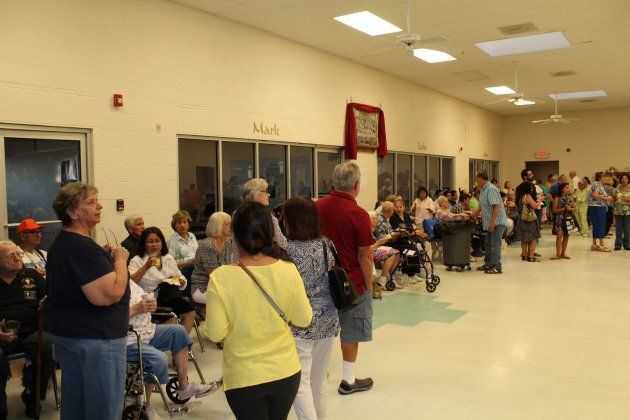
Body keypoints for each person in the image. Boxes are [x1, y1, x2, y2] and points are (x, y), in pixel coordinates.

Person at [205, 202, 312, 420]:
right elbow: (304, 319)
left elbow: (215, 333)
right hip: (285, 371)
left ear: (234, 235)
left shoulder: (220, 277)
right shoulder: (288, 269)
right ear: (270, 233)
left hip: (244, 376)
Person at [45, 182, 130, 420]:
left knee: (77, 404)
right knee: (104, 409)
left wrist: (101, 257)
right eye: (91, 202)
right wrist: (120, 260)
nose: (99, 206)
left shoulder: (64, 243)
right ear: (72, 212)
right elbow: (109, 294)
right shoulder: (82, 248)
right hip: (96, 338)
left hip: (70, 334)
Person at [316, 162, 374, 395]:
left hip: (320, 282)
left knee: (321, 330)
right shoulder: (359, 214)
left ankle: (318, 375)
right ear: (357, 184)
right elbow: (365, 256)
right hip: (351, 283)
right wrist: (369, 285)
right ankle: (348, 380)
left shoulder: (316, 207)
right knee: (350, 331)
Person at [281, 197, 340, 420]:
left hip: (300, 322)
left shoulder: (286, 250)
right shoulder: (326, 243)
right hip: (328, 317)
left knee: (300, 384)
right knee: (318, 381)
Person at [126, 281, 216, 419]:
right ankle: (146, 405)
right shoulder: (112, 290)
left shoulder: (130, 282)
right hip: (130, 339)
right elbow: (112, 320)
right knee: (158, 359)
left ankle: (184, 387)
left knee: (178, 331)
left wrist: (151, 305)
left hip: (148, 330)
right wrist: (136, 309)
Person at [0, 241, 53, 419]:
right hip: (1, 335)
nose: (17, 258)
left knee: (46, 346)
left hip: (31, 331)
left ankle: (32, 396)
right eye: (11, 256)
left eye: (19, 254)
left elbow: (50, 297)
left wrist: (47, 303)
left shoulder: (31, 276)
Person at [128, 227, 195, 333]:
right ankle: (165, 340)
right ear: (144, 244)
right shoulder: (136, 261)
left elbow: (179, 276)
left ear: (162, 243)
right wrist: (146, 266)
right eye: (150, 241)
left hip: (168, 296)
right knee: (170, 317)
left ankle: (182, 341)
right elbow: (130, 282)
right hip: (148, 300)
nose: (154, 244)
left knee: (190, 312)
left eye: (157, 241)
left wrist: (181, 281)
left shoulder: (168, 258)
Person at [190, 212, 236, 304]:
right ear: (218, 226)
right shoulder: (208, 245)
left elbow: (232, 265)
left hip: (220, 286)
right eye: (228, 224)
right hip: (203, 289)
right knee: (233, 299)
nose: (231, 227)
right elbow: (214, 275)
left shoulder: (227, 242)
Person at [472, 172, 507, 274]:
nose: (476, 182)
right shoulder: (483, 190)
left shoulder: (491, 189)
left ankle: (497, 266)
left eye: (477, 180)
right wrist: (471, 216)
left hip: (497, 222)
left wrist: (492, 222)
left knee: (495, 245)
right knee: (488, 244)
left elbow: (496, 206)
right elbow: (480, 206)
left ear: (481, 179)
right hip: (490, 223)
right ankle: (488, 264)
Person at [241, 178, 287, 247]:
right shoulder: (268, 217)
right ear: (254, 193)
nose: (269, 195)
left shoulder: (238, 214)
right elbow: (282, 243)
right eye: (265, 191)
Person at [368, 211, 402, 288]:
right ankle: (383, 279)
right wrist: (381, 241)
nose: (377, 220)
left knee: (397, 252)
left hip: (375, 247)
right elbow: (371, 245)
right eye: (375, 218)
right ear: (370, 219)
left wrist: (384, 239)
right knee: (391, 253)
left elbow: (376, 241)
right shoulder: (366, 229)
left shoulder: (372, 228)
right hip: (370, 250)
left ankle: (391, 278)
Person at [515, 182, 541, 262]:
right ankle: (531, 256)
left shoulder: (519, 197)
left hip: (521, 219)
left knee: (524, 239)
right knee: (533, 237)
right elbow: (534, 206)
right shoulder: (527, 196)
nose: (532, 189)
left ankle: (524, 255)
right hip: (529, 220)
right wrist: (540, 200)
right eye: (531, 187)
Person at [550, 183, 577, 260]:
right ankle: (558, 254)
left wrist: (570, 209)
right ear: (562, 189)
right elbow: (554, 210)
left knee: (566, 236)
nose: (568, 189)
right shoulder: (557, 198)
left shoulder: (570, 198)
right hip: (560, 219)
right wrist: (564, 209)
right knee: (559, 236)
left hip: (568, 218)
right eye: (566, 187)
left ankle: (563, 253)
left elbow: (575, 208)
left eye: (568, 187)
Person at [588, 174, 613, 252]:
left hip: (595, 207)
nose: (609, 179)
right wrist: (606, 198)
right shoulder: (598, 184)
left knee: (596, 225)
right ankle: (601, 245)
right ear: (601, 178)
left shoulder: (598, 185)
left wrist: (606, 197)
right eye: (607, 178)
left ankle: (594, 244)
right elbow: (595, 195)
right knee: (600, 225)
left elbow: (596, 194)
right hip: (598, 207)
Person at [613, 173, 630, 250]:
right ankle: (618, 245)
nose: (624, 180)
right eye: (622, 178)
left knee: (627, 229)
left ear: (628, 179)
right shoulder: (617, 188)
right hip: (618, 211)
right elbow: (614, 198)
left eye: (626, 178)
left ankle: (627, 245)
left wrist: (628, 199)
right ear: (620, 180)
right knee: (618, 229)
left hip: (628, 211)